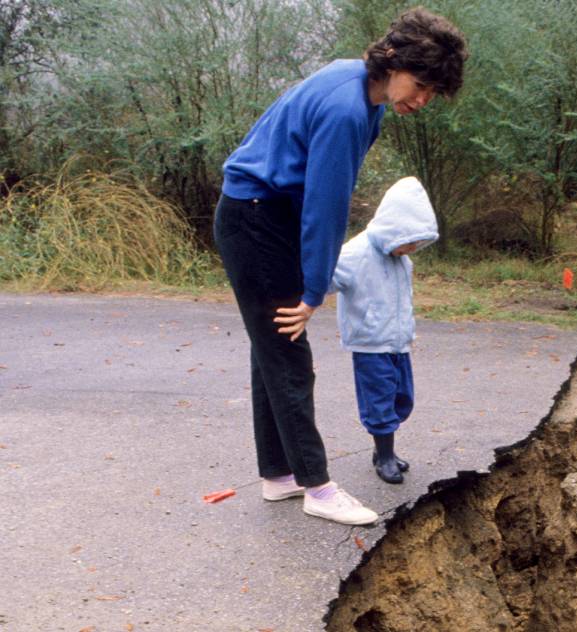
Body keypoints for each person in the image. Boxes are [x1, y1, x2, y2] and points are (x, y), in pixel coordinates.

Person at [212, 9, 467, 525]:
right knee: (289, 355)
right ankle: (318, 487)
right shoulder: (348, 111)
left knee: (271, 350)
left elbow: (315, 196)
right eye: (419, 85)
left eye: (432, 93)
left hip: (263, 215)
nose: (422, 99)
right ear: (392, 60)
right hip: (256, 219)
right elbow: (326, 207)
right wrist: (312, 291)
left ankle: (279, 475)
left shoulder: (359, 86)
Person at [330, 176, 437, 485]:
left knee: (402, 399)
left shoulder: (401, 260)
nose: (413, 247)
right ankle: (385, 455)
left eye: (419, 241)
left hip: (399, 342)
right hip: (370, 343)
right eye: (410, 240)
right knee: (379, 401)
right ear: (395, 228)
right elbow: (322, 280)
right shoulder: (354, 255)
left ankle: (383, 451)